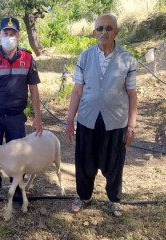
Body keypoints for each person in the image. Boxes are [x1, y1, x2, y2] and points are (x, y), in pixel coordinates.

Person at [66, 14, 137, 217]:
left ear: (116, 31)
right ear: (94, 33)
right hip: (88, 118)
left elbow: (132, 94)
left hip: (116, 120)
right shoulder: (85, 56)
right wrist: (70, 120)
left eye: (108, 28)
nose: (104, 32)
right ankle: (84, 196)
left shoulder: (127, 58)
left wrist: (131, 126)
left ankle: (114, 199)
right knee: (85, 160)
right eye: (100, 28)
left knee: (114, 162)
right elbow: (77, 91)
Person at [0, 17, 43, 215]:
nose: (9, 37)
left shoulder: (27, 57)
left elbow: (34, 89)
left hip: (17, 117)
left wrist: (37, 116)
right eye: (5, 33)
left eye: (12, 33)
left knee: (18, 154)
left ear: (19, 35)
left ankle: (17, 190)